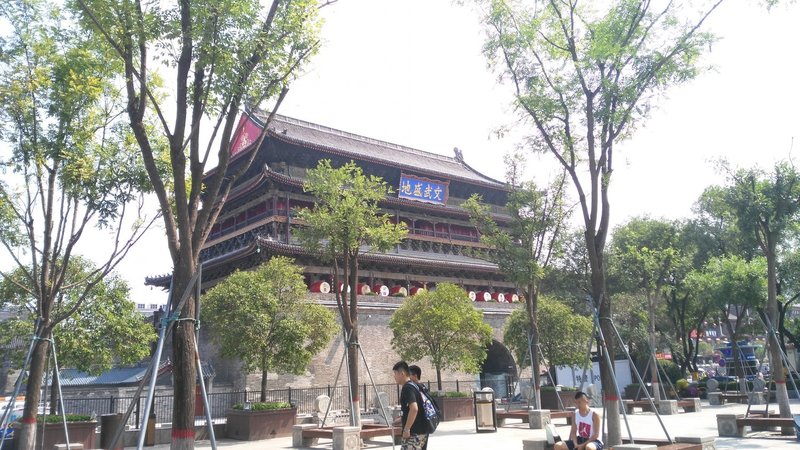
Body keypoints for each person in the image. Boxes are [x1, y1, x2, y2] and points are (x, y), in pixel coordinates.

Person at [393, 361, 428, 450]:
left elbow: (414, 409)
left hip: (414, 432)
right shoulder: (413, 386)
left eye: (395, 374)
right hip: (419, 431)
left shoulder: (408, 388)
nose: (394, 377)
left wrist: (407, 429)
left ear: (402, 374)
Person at [408, 365, 429, 450]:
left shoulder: (413, 389)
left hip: (417, 426)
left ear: (415, 376)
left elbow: (414, 409)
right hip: (425, 424)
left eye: (408, 375)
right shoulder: (423, 387)